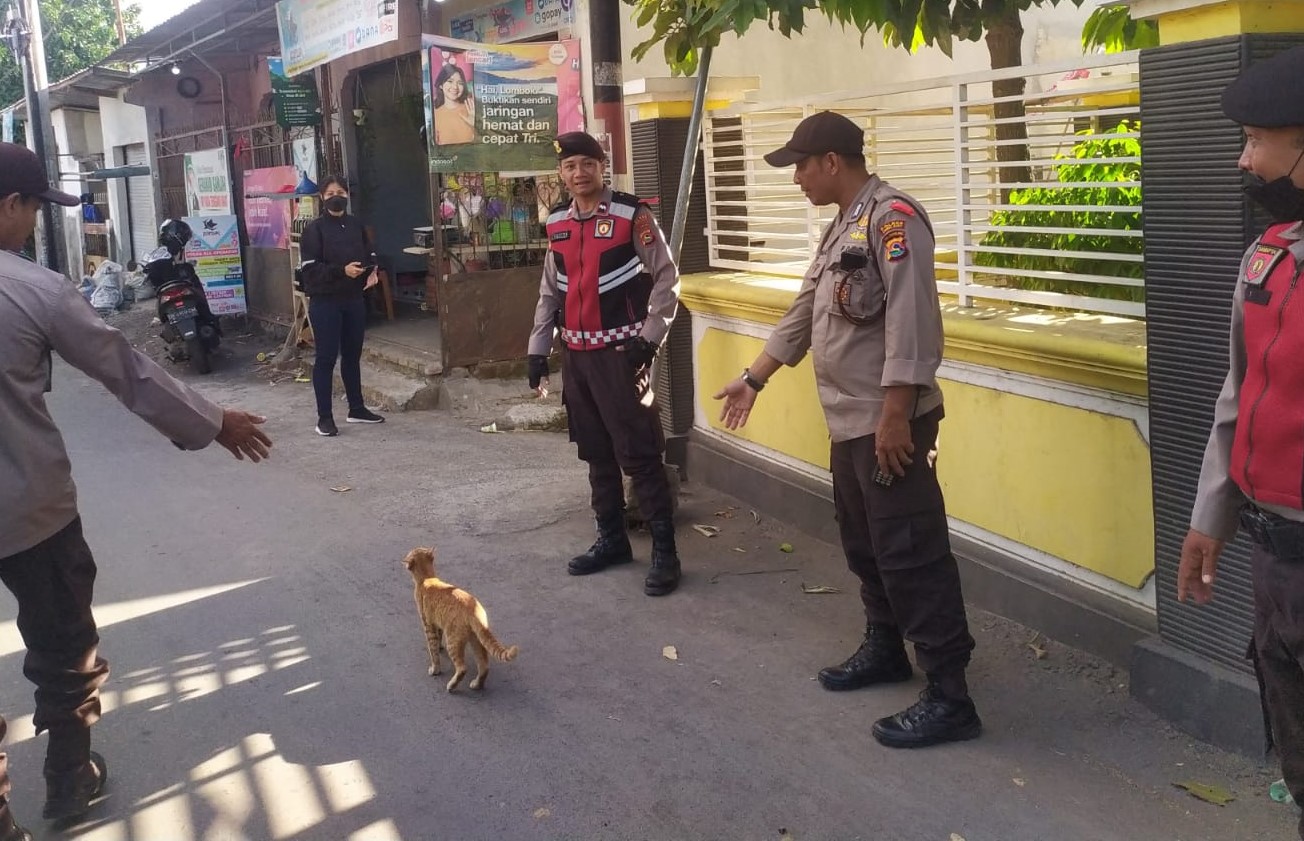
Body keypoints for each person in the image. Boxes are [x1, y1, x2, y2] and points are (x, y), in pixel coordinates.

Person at [0, 141, 273, 839]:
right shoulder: (34, 289)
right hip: (30, 509)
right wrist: (215, 421)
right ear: (11, 206)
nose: (32, 225)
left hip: (31, 506)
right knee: (63, 646)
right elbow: (128, 372)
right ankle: (67, 780)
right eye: (32, 209)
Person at [713, 112, 979, 748]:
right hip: (850, 423)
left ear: (832, 161)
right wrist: (754, 377)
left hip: (890, 422)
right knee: (866, 544)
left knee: (911, 550)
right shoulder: (842, 228)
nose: (797, 178)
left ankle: (950, 694)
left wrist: (895, 414)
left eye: (801, 165)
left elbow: (913, 324)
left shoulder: (893, 222)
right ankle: (886, 647)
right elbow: (805, 310)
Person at [1182, 46, 1304, 841]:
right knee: (1294, 743)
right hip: (1273, 554)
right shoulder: (1267, 256)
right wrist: (1210, 516)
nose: (1244, 157)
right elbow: (1238, 394)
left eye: (1258, 137)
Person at [527, 131, 683, 596]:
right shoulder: (556, 221)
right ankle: (611, 539)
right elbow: (550, 290)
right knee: (595, 452)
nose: (579, 174)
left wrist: (649, 340)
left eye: (587, 164)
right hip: (576, 357)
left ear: (602, 167)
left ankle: (665, 551)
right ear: (561, 173)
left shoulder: (632, 215)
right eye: (571, 166)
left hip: (620, 358)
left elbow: (667, 277)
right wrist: (538, 349)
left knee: (640, 454)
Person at [298, 176, 386, 437]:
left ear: (347, 196)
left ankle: (356, 408)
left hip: (354, 300)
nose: (337, 196)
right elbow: (310, 270)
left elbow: (369, 253)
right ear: (323, 198)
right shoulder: (314, 230)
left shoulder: (356, 225)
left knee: (352, 355)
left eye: (341, 191)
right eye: (331, 192)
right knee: (326, 358)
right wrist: (341, 271)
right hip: (326, 302)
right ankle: (324, 418)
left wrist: (372, 271)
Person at [433, 63, 475, 146]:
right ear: (441, 85)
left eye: (460, 83)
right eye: (450, 81)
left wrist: (476, 125)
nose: (455, 87)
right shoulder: (435, 115)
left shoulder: (471, 109)